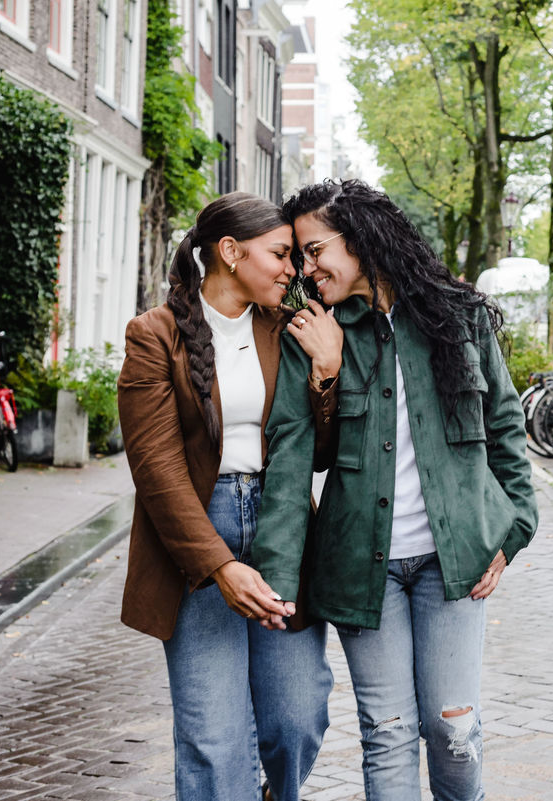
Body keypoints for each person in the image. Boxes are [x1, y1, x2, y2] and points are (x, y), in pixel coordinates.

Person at [254, 179, 538, 800]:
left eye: (312, 250)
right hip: (361, 569)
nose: (305, 267)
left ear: (360, 240)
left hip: (454, 562)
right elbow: (290, 460)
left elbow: (506, 428)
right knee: (387, 732)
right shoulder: (317, 334)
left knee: (452, 729)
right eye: (297, 256)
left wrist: (513, 531)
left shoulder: (457, 316)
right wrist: (275, 581)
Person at [117, 192, 342, 801]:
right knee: (213, 737)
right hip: (196, 531)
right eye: (279, 255)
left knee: (297, 716)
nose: (293, 270)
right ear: (229, 252)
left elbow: (319, 453)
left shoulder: (287, 328)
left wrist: (325, 372)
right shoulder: (154, 337)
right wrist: (218, 565)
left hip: (283, 521)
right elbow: (157, 468)